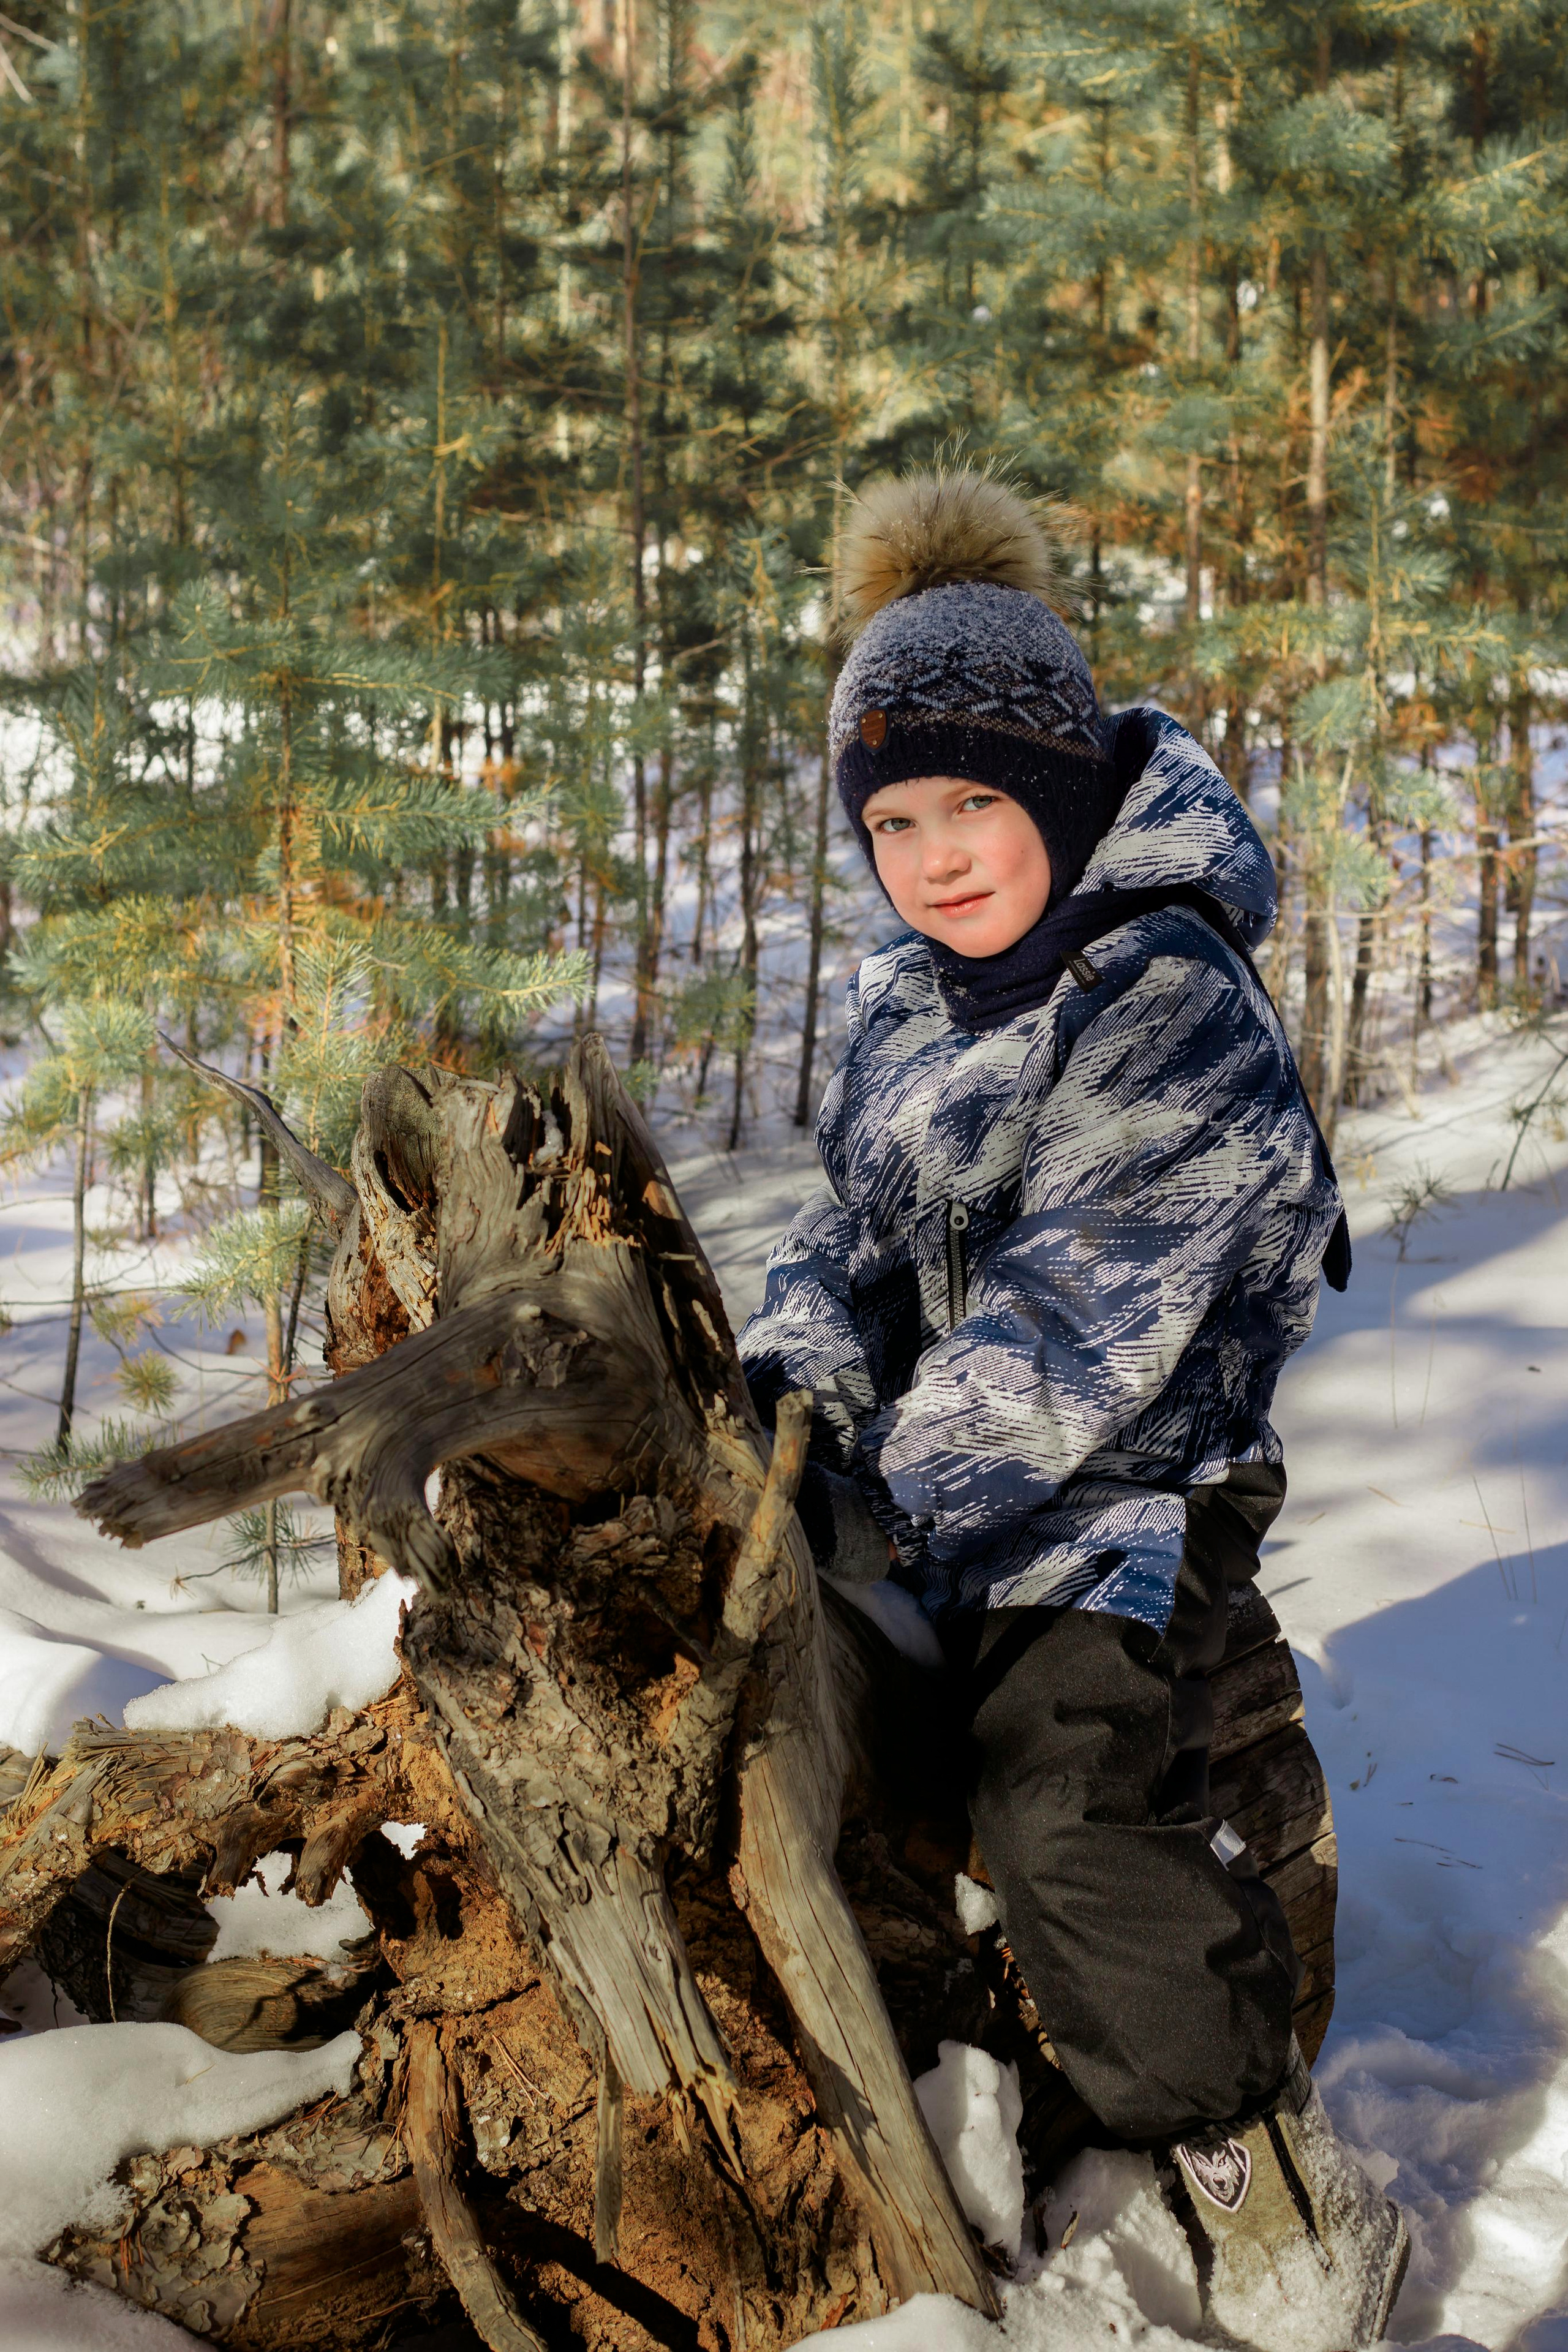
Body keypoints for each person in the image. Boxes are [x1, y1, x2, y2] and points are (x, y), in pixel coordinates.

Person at [737, 466, 1407, 2351]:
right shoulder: (913, 1000)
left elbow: (1080, 1331)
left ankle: (1263, 2171)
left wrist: (885, 1491)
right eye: (895, 819)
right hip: (968, 1486)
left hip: (1132, 1488)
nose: (941, 854)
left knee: (1057, 1799)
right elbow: (852, 1240)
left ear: (1060, 789)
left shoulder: (1164, 990)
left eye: (977, 806)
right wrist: (791, 1392)